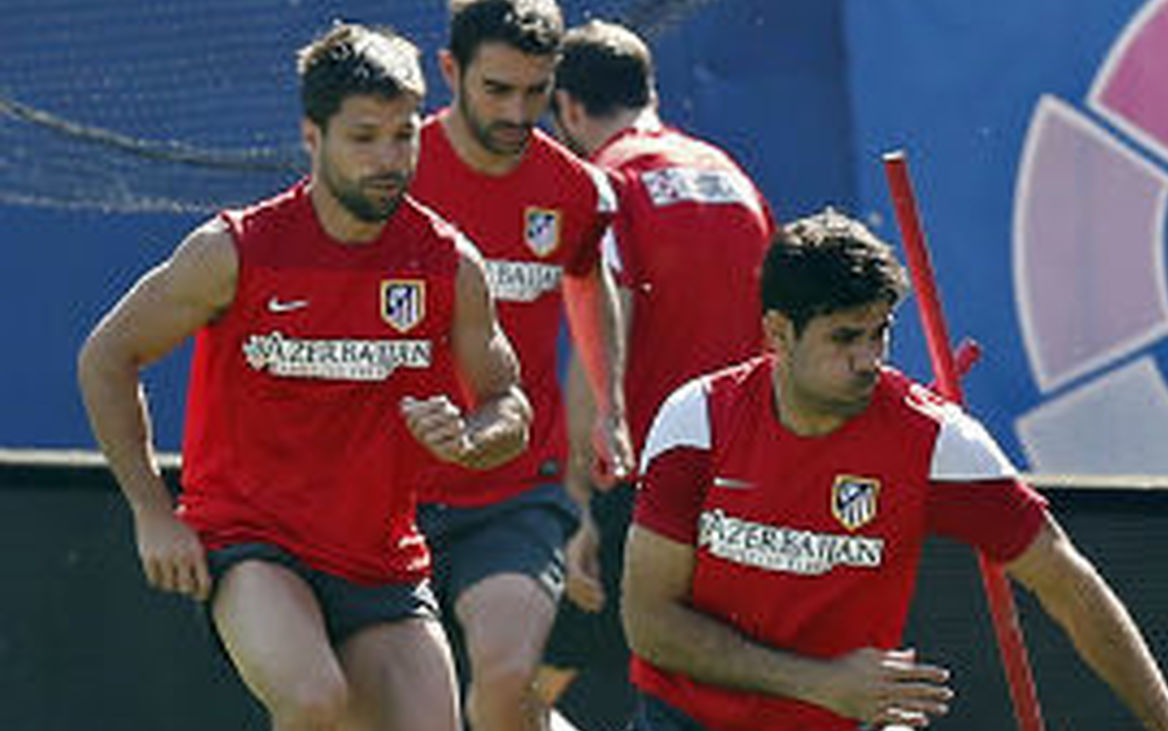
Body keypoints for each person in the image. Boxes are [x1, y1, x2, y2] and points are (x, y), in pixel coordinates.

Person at [76, 23, 533, 731]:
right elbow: (107, 356)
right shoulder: (235, 250)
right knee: (315, 698)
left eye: (404, 135)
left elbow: (510, 404)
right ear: (312, 138)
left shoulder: (448, 262)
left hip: (380, 560)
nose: (389, 158)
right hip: (250, 540)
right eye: (364, 137)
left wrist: (471, 436)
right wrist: (151, 511)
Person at [620, 208, 1168, 731]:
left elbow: (1070, 587)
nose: (870, 359)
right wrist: (821, 684)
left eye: (881, 334)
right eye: (845, 338)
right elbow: (649, 623)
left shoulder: (936, 441)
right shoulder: (696, 420)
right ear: (777, 333)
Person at [539, 19, 776, 730]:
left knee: (513, 685)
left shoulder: (604, 184)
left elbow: (600, 345)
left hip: (643, 491)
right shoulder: (735, 178)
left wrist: (578, 496)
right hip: (746, 487)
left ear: (570, 110)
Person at [406, 2, 633, 730]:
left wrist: (611, 405)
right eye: (496, 89)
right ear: (450, 72)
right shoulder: (392, 171)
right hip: (387, 495)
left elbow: (588, 282)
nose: (517, 111)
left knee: (504, 684)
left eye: (536, 92)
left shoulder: (569, 188)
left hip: (512, 494)